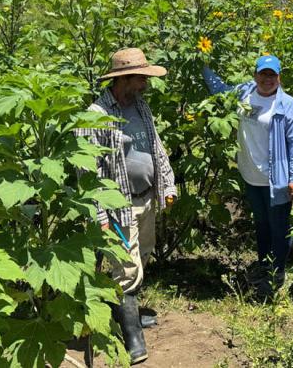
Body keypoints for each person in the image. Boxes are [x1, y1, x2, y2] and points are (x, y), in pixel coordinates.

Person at [75, 47, 177, 365]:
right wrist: (100, 214)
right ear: (124, 80)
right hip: (119, 206)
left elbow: (155, 147)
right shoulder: (95, 116)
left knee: (141, 256)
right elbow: (86, 173)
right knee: (126, 268)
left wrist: (168, 184)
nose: (145, 85)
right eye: (141, 79)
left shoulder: (140, 106)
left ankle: (125, 316)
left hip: (146, 198)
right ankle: (133, 338)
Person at [203, 55, 293, 296]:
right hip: (251, 175)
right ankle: (264, 265)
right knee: (261, 225)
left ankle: (276, 273)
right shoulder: (244, 93)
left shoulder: (287, 105)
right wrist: (203, 64)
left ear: (279, 78)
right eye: (263, 73)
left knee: (278, 226)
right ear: (255, 75)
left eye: (272, 74)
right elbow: (219, 90)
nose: (267, 79)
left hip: (276, 178)